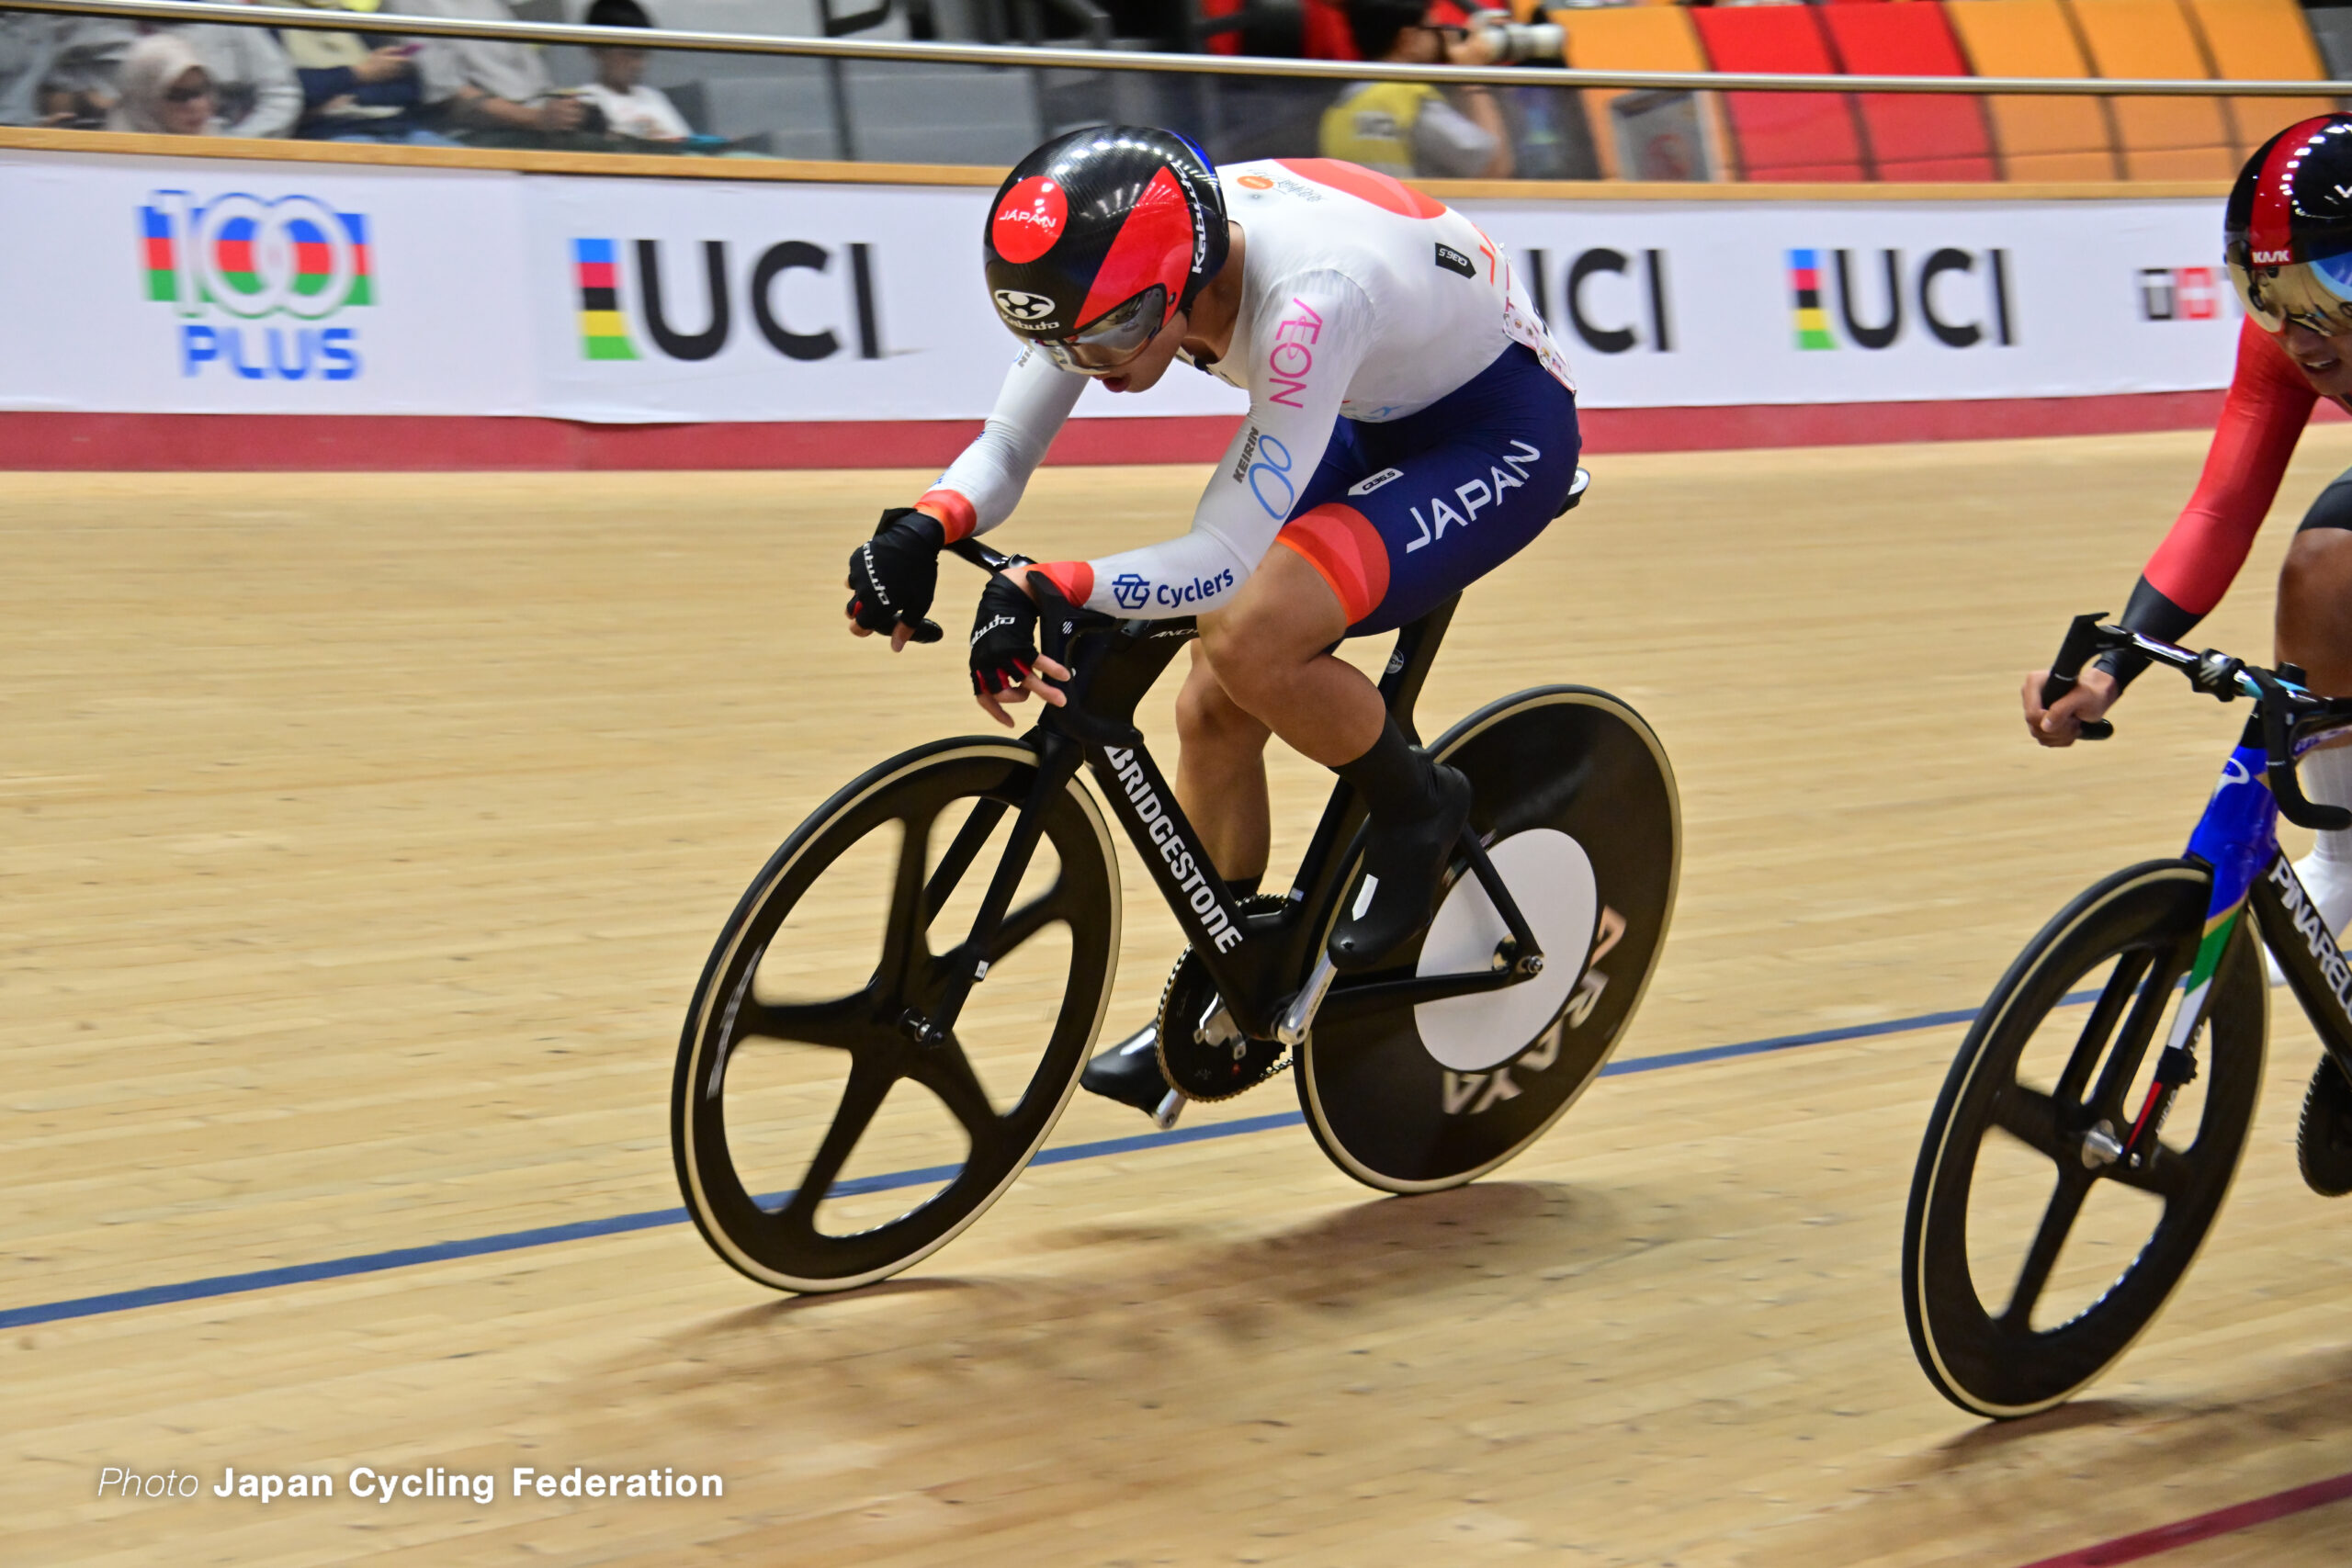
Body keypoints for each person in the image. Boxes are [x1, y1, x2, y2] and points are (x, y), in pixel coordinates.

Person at [842, 126, 1579, 1114]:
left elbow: (1220, 561)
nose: (1090, 369)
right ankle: (1229, 989)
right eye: (1061, 344)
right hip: (1366, 400)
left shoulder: (1308, 305)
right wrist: (925, 523)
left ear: (1178, 285)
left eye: (1106, 341)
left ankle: (1420, 807)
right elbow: (1010, 439)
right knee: (1210, 708)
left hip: (1492, 430)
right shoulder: (1120, 253)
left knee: (1246, 635)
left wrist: (1049, 585)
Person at [2025, 113, 2352, 945]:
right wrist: (2108, 670)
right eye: (2266, 293)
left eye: (2328, 287)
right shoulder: (2284, 341)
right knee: (2322, 566)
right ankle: (2346, 860)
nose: (2301, 332)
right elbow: (2222, 509)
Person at [1318, 0, 1510, 180]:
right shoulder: (1409, 97)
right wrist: (1472, 77)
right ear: (1407, 40)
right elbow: (1493, 166)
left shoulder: (1341, 105)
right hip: (1405, 213)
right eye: (1433, 29)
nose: (1443, 37)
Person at [395, 0, 585, 140]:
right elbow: (452, 95)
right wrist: (537, 119)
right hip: (483, 136)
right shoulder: (412, 5)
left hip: (539, 118)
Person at [265, 0, 447, 143]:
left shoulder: (351, 19)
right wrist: (358, 73)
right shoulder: (265, 21)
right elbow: (293, 90)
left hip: (400, 128)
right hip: (330, 132)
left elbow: (409, 87)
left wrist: (353, 95)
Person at [574, 0, 690, 142]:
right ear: (597, 50)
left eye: (643, 55)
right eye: (630, 54)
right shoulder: (583, 101)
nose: (639, 65)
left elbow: (687, 147)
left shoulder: (654, 98)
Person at [107, 33, 220, 135]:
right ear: (145, 101)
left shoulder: (218, 144)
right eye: (178, 95)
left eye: (200, 91)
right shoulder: (113, 153)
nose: (196, 106)